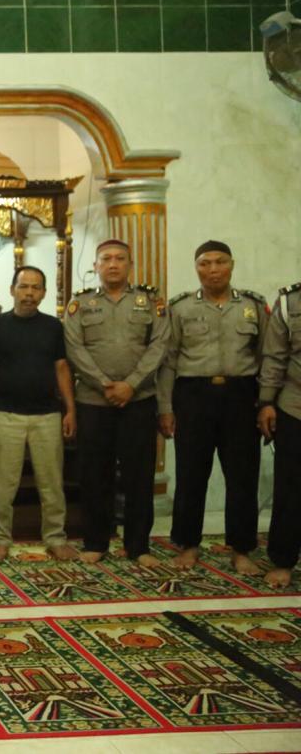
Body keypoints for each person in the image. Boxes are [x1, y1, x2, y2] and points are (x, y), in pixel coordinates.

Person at [157, 241, 266, 575]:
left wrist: (266, 404)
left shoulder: (253, 305)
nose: (213, 269)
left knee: (243, 475)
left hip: (241, 396)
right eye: (205, 263)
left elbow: (266, 357)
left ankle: (242, 549)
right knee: (191, 473)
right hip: (193, 395)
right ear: (196, 267)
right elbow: (169, 361)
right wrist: (166, 407)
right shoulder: (181, 308)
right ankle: (188, 545)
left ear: (232, 265)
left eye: (220, 262)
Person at [63, 240, 169, 566]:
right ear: (95, 266)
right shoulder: (80, 304)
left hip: (139, 401)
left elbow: (159, 345)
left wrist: (131, 385)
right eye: (105, 259)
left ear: (130, 264)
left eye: (120, 259)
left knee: (139, 475)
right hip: (94, 401)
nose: (113, 264)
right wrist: (105, 384)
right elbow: (74, 348)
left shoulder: (150, 302)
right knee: (95, 474)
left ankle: (139, 547)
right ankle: (96, 542)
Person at [0, 266, 76, 561]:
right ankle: (0, 539)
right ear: (12, 290)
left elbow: (61, 368)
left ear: (44, 293)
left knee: (51, 482)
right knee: (3, 483)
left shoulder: (54, 327)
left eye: (35, 288)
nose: (29, 293)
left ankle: (56, 538)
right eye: (23, 287)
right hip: (6, 414)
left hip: (47, 415)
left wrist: (70, 409)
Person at [259, 280, 301, 588]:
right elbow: (274, 357)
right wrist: (267, 402)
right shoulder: (290, 302)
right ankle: (284, 560)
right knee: (290, 488)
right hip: (294, 406)